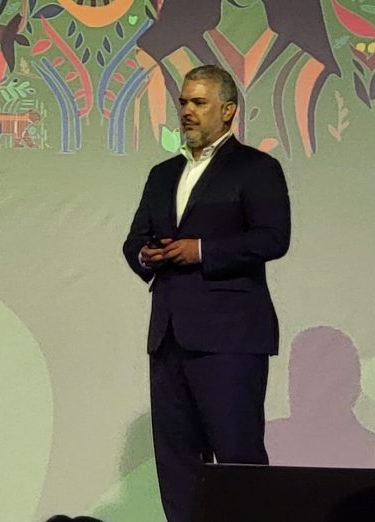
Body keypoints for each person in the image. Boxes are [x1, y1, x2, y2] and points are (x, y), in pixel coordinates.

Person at [123, 65, 291, 522]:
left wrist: (200, 250)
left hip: (230, 338)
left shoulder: (256, 168)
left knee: (237, 458)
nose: (187, 111)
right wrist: (146, 255)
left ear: (228, 110)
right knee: (177, 463)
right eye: (183, 102)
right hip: (169, 338)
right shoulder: (163, 174)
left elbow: (273, 238)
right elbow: (134, 240)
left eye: (199, 102)